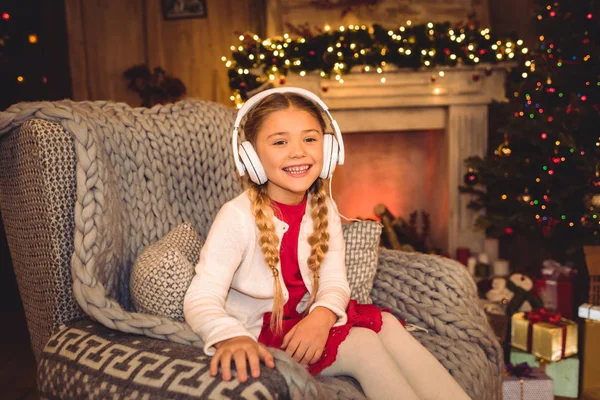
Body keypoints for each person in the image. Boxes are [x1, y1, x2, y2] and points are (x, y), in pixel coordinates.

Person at [184, 87, 471, 399]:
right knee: (363, 345)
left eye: (310, 139)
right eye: (280, 142)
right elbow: (200, 298)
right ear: (251, 158)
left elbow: (335, 280)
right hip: (264, 334)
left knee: (387, 323)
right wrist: (230, 337)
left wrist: (322, 316)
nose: (298, 152)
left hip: (306, 321)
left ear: (329, 149)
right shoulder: (236, 217)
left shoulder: (323, 208)